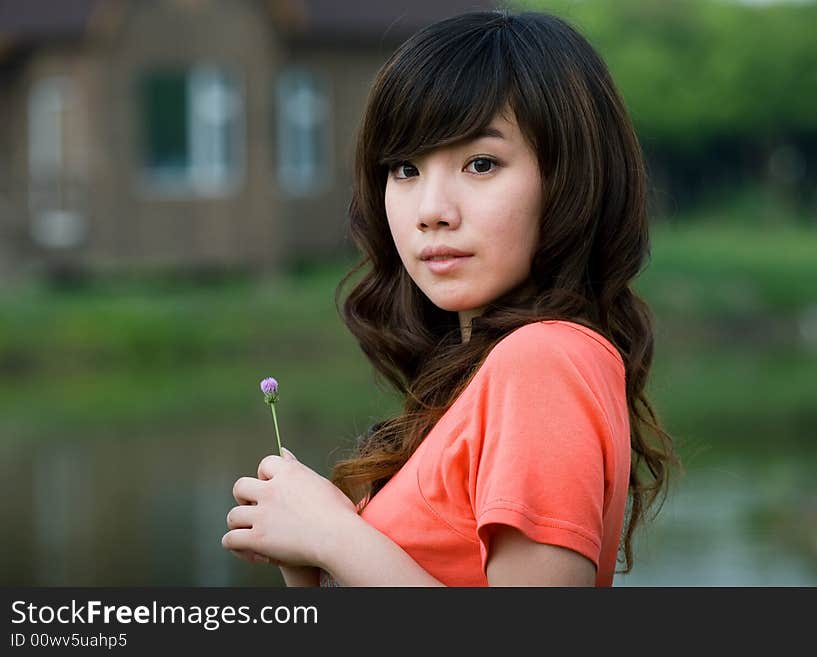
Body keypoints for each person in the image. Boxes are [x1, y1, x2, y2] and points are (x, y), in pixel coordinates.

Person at [222, 9, 678, 587]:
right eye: (405, 168)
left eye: (480, 163)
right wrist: (308, 557)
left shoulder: (544, 361)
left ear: (570, 179)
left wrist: (335, 535)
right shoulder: (475, 381)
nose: (432, 210)